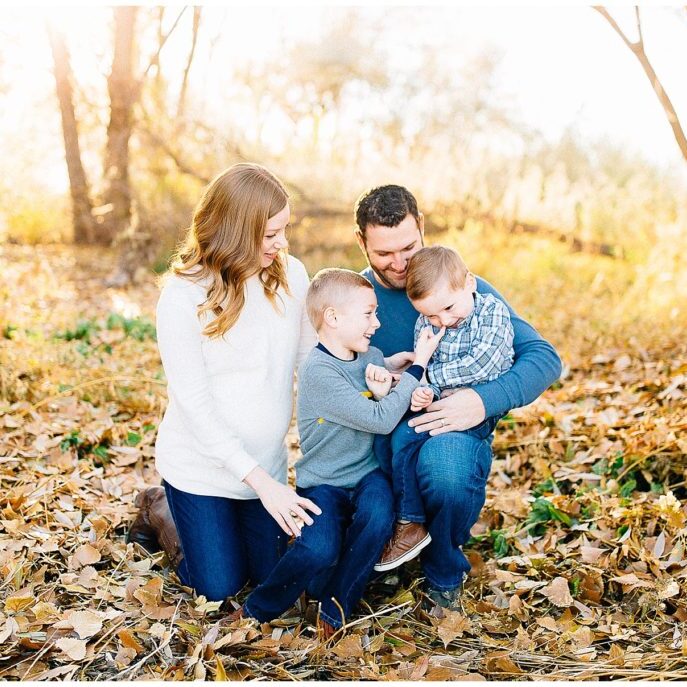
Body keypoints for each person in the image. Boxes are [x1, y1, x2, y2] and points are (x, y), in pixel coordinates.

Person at [354, 185, 562, 612]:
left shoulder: (463, 289)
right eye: (383, 254)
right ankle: (393, 539)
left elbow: (543, 358)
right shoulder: (350, 297)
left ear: (423, 228)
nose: (398, 264)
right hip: (372, 441)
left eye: (408, 248)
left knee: (444, 468)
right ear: (362, 243)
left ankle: (443, 567)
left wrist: (483, 401)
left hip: (448, 426)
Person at [146, 162, 323, 603]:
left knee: (268, 577)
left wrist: (365, 375)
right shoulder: (183, 296)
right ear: (234, 230)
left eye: (284, 230)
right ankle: (158, 508)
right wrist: (265, 484)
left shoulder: (291, 274)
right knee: (218, 587)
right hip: (201, 470)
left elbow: (312, 362)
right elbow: (195, 407)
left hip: (266, 464)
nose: (282, 243)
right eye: (270, 234)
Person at [236, 268, 443, 636]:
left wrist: (392, 367)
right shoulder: (317, 370)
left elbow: (374, 373)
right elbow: (379, 418)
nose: (377, 323)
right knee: (319, 550)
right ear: (332, 318)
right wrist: (420, 364)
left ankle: (335, 608)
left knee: (379, 515)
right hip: (325, 484)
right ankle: (257, 609)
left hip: (366, 476)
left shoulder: (370, 354)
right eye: (368, 314)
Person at [373, 245, 515, 573]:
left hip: (474, 413)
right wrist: (422, 391)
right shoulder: (428, 321)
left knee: (447, 472)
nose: (443, 321)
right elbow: (425, 372)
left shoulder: (491, 311)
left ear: (469, 283)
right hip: (437, 406)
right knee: (398, 437)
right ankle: (410, 521)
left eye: (449, 309)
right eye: (433, 315)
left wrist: (425, 373)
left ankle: (444, 560)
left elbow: (486, 364)